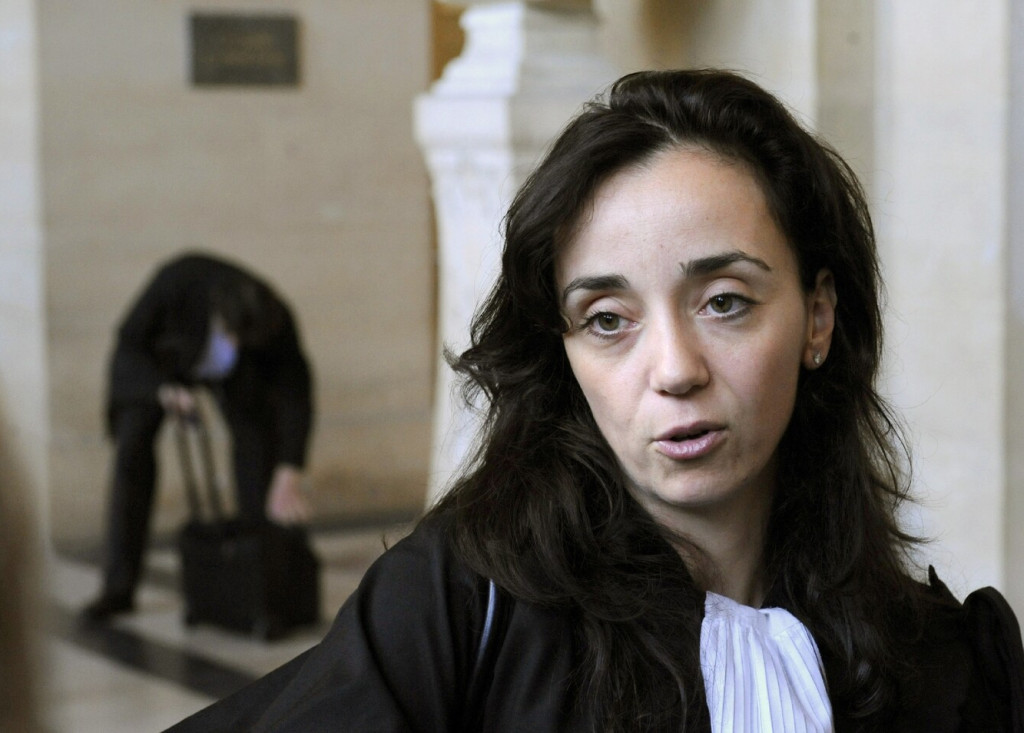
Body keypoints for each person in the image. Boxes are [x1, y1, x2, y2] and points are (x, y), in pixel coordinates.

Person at [167, 70, 1024, 731]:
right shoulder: (457, 612)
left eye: (725, 301)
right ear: (563, 351)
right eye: (608, 319)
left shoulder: (946, 660)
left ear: (818, 318)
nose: (675, 369)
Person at [82, 251, 314, 622]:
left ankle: (258, 586)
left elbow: (294, 393)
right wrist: (161, 389)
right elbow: (129, 343)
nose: (234, 345)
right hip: (159, 368)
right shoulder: (177, 282)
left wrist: (289, 469)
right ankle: (118, 588)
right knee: (133, 453)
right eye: (231, 335)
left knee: (257, 455)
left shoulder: (275, 318)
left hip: (238, 380)